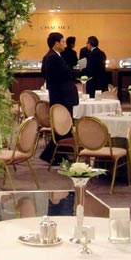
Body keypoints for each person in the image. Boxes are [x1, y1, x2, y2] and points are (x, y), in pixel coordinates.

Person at [39, 32, 79, 164]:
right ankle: (51, 154)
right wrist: (77, 71)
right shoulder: (53, 57)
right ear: (56, 43)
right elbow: (66, 73)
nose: (64, 44)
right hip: (62, 96)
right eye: (62, 41)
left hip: (59, 95)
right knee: (63, 126)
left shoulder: (50, 56)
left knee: (63, 127)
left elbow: (44, 73)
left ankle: (60, 155)